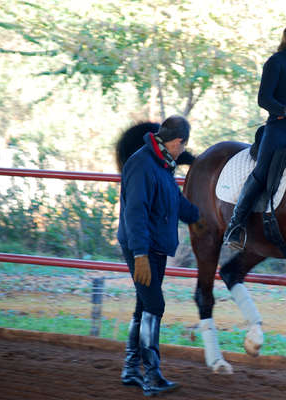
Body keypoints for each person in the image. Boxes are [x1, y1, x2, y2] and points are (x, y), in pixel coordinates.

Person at [223, 11, 286, 250]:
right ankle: (235, 226)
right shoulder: (276, 62)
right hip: (279, 131)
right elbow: (264, 99)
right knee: (261, 173)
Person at [117, 115, 199, 396]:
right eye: (182, 146)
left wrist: (201, 215)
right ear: (177, 142)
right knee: (155, 305)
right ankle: (151, 377)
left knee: (144, 304)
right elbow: (135, 212)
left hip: (155, 246)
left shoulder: (163, 162)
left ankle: (130, 369)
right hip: (142, 247)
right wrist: (139, 254)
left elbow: (173, 200)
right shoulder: (142, 164)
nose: (181, 150)